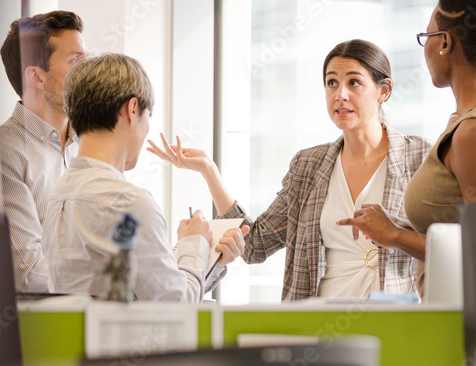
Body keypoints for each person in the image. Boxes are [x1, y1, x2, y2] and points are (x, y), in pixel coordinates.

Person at [147, 39, 431, 301]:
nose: (340, 95)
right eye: (331, 83)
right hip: (317, 324)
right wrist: (209, 170)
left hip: (392, 321)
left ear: (384, 91)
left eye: (354, 83)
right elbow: (255, 244)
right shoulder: (308, 165)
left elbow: (445, 246)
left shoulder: (419, 157)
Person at [338, 0, 476, 277]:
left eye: (426, 36)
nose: (426, 49)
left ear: (445, 41)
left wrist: (394, 236)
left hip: (462, 303)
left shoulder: (475, 130)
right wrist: (400, 226)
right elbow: (469, 228)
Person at [42, 53, 247, 301]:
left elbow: (148, 294)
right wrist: (193, 244)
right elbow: (175, 306)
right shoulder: (129, 202)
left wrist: (211, 259)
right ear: (132, 109)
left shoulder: (60, 193)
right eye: (148, 117)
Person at [0, 11, 86, 292]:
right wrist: (113, 271)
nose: (89, 72)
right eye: (76, 61)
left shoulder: (90, 142)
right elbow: (31, 275)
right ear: (37, 77)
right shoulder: (1, 153)